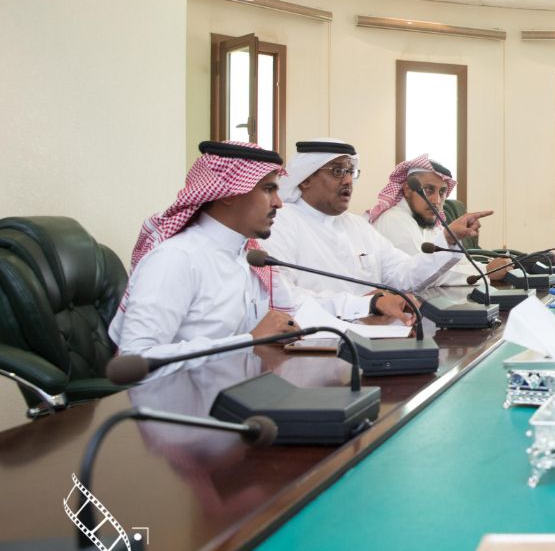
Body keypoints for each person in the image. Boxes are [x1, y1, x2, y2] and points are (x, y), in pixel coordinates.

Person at [109, 141, 301, 377]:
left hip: (239, 393)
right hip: (181, 406)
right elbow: (136, 358)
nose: (279, 203)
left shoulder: (248, 256)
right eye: (268, 189)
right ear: (230, 193)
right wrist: (249, 340)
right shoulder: (176, 258)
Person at [268, 141, 484, 323]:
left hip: (373, 336)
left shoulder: (356, 225)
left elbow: (404, 275)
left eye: (350, 172)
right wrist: (367, 304)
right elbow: (283, 299)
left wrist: (446, 239)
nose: (348, 180)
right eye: (337, 171)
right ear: (305, 178)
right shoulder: (280, 223)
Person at [366, 154, 511, 279]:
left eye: (442, 192)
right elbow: (423, 274)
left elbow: (459, 264)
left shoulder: (429, 224)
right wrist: (485, 272)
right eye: (428, 190)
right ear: (408, 189)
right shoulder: (393, 220)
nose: (436, 201)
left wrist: (492, 266)